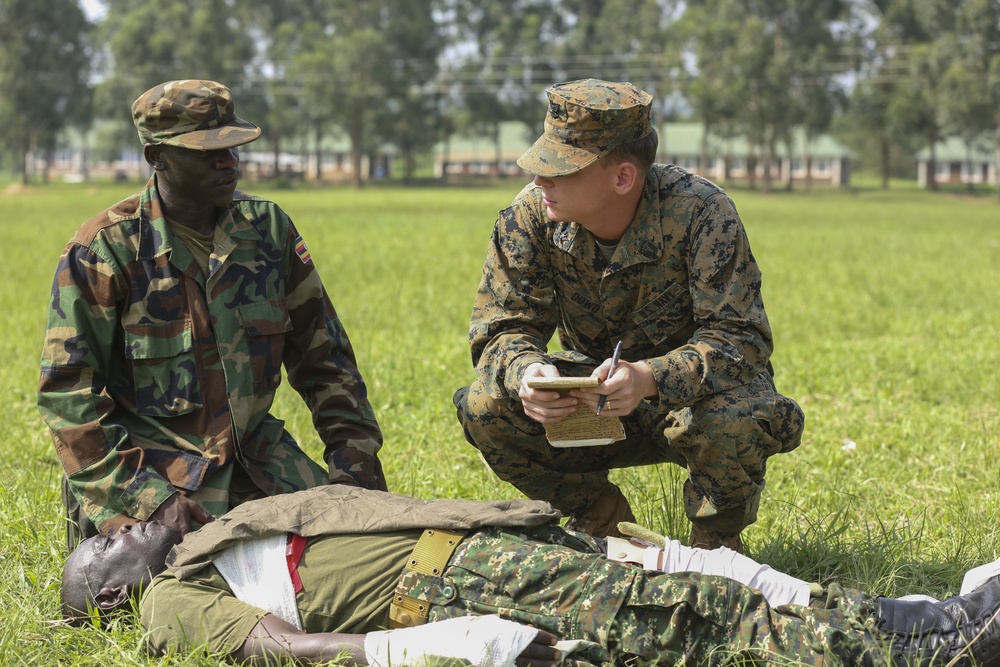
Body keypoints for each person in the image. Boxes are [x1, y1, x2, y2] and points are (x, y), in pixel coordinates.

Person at [61, 484, 1000, 667]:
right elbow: (286, 645)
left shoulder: (208, 535)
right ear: (113, 592)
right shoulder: (175, 601)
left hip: (485, 553)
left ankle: (912, 621)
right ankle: (941, 647)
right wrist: (434, 649)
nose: (121, 528)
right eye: (106, 546)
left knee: (703, 579)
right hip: (459, 590)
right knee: (691, 614)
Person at [453, 78, 805, 551]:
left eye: (560, 168)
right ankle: (602, 519)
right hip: (593, 401)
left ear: (622, 177)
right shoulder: (527, 218)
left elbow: (741, 339)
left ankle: (715, 548)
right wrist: (527, 374)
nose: (540, 180)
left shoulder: (702, 212)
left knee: (735, 415)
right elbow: (503, 327)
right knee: (485, 406)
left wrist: (649, 377)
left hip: (687, 403)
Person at [38, 80, 386, 549]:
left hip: (259, 465)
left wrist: (355, 479)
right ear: (156, 156)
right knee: (160, 582)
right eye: (206, 152)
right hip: (150, 479)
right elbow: (67, 396)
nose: (228, 161)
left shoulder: (268, 230)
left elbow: (327, 362)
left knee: (352, 551)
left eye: (233, 147)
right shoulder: (104, 250)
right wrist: (151, 500)